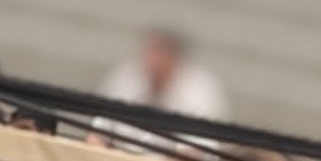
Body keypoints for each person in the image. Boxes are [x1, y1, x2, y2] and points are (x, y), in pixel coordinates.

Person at [98, 27, 230, 125]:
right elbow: (100, 129)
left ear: (175, 59)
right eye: (149, 52)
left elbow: (196, 151)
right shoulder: (125, 77)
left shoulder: (202, 92)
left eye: (159, 54)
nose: (151, 62)